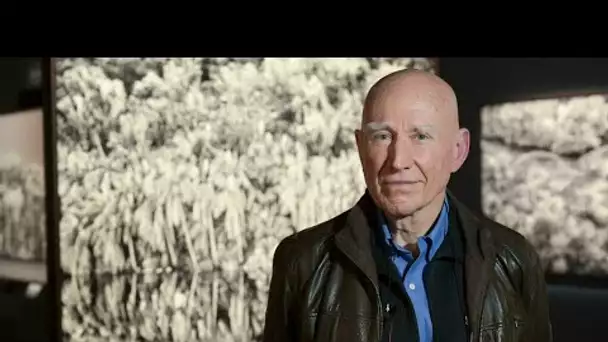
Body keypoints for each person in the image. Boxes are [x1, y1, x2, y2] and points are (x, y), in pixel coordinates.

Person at [262, 69, 552, 342]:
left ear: (458, 150)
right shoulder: (303, 262)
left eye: (420, 136)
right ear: (361, 148)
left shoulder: (513, 259)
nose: (398, 160)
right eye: (382, 136)